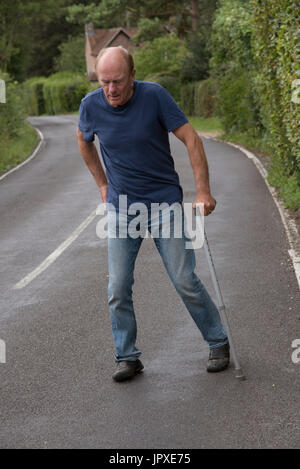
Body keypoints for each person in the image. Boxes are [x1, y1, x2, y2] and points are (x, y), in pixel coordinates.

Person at [77, 46, 230, 382]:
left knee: (184, 279)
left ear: (133, 75)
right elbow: (84, 141)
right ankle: (127, 357)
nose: (111, 90)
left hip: (164, 204)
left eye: (117, 81)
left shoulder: (155, 96)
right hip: (122, 208)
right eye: (104, 83)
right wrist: (102, 185)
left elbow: (191, 138)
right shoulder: (91, 105)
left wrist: (203, 190)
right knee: (117, 287)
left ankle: (218, 342)